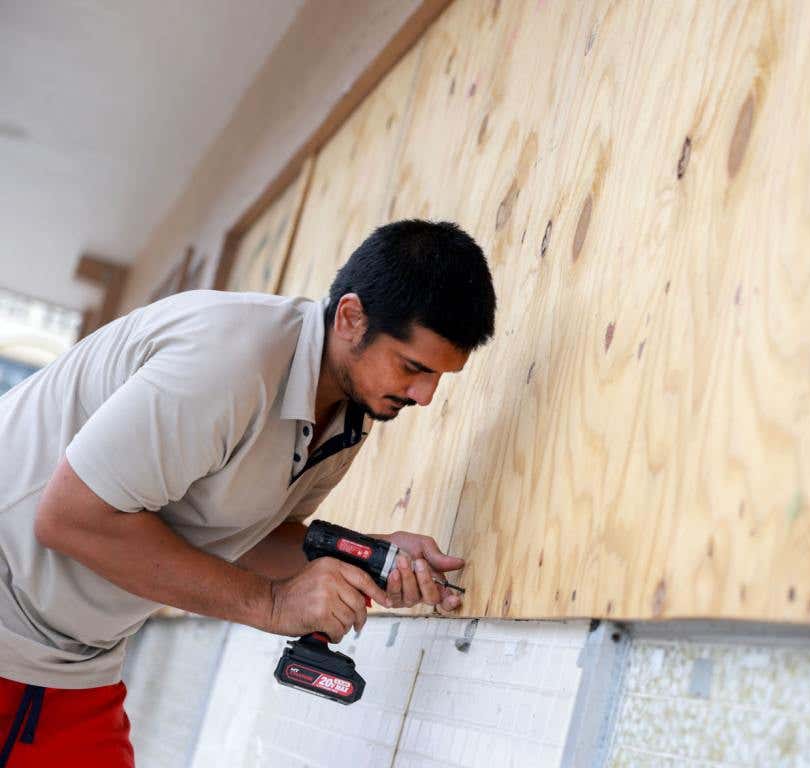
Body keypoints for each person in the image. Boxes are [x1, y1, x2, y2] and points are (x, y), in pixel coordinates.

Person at [0, 219, 497, 766]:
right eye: (414, 368)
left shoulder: (349, 411)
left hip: (67, 658)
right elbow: (71, 517)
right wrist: (275, 603)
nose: (424, 396)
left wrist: (369, 558)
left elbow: (246, 534)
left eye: (439, 378)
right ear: (352, 317)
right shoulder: (229, 362)